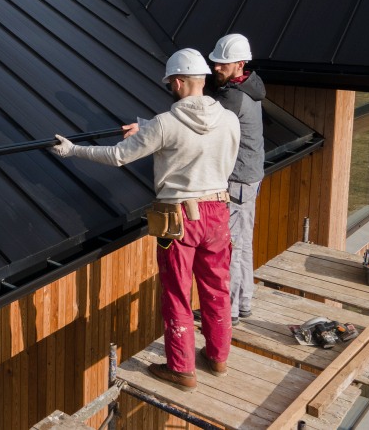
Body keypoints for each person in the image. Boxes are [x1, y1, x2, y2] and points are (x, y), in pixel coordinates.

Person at [50, 48, 240, 390]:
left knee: (178, 293)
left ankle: (181, 369)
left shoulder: (167, 124)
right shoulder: (229, 118)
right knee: (217, 287)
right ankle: (218, 357)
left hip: (181, 217)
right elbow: (196, 139)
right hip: (219, 213)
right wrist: (148, 127)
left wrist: (73, 150)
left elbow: (119, 156)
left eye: (171, 83)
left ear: (179, 82)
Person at [208, 34, 265, 326]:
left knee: (231, 245)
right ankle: (243, 303)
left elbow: (205, 123)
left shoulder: (232, 97)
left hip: (239, 180)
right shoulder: (250, 87)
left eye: (223, 63)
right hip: (249, 177)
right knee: (243, 242)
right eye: (215, 62)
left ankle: (228, 312)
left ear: (240, 64)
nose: (216, 67)